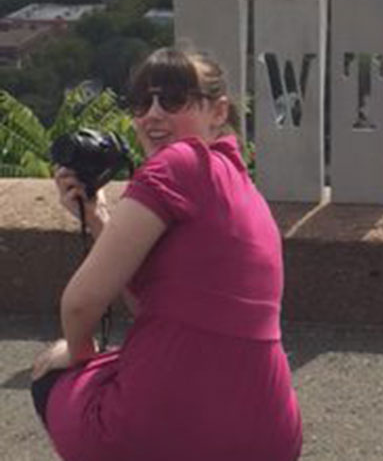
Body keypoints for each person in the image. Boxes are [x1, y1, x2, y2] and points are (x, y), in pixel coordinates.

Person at [31, 46, 303, 461]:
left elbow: (79, 304)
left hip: (172, 427)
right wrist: (97, 216)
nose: (153, 114)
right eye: (142, 102)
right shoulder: (237, 184)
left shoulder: (177, 164)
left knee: (53, 369)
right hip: (268, 432)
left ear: (217, 111)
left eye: (173, 99)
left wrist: (80, 357)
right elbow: (156, 305)